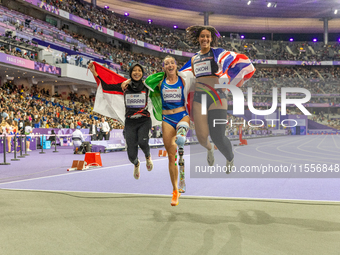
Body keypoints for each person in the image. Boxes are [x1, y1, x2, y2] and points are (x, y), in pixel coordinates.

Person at [186, 25, 255, 172]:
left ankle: (229, 158)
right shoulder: (194, 59)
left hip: (217, 96)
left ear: (211, 39)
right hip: (200, 97)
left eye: (207, 36)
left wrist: (226, 79)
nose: (205, 38)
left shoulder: (219, 54)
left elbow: (230, 62)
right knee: (202, 137)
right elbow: (193, 78)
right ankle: (209, 149)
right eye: (202, 36)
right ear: (198, 38)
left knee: (218, 136)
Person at [89, 62, 153, 179]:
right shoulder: (125, 86)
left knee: (143, 142)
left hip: (144, 120)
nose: (137, 72)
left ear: (143, 73)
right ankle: (136, 163)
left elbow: (158, 80)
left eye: (139, 70)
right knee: (131, 155)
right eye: (135, 70)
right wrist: (95, 74)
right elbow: (107, 86)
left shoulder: (147, 86)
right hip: (130, 122)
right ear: (131, 73)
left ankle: (148, 157)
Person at [146, 55, 190, 206]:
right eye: (167, 63)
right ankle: (175, 190)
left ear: (176, 65)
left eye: (172, 62)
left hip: (182, 115)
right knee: (171, 157)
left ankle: (182, 137)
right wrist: (127, 81)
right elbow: (143, 84)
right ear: (163, 67)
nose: (170, 65)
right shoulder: (160, 82)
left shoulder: (184, 80)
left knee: (181, 136)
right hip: (167, 120)